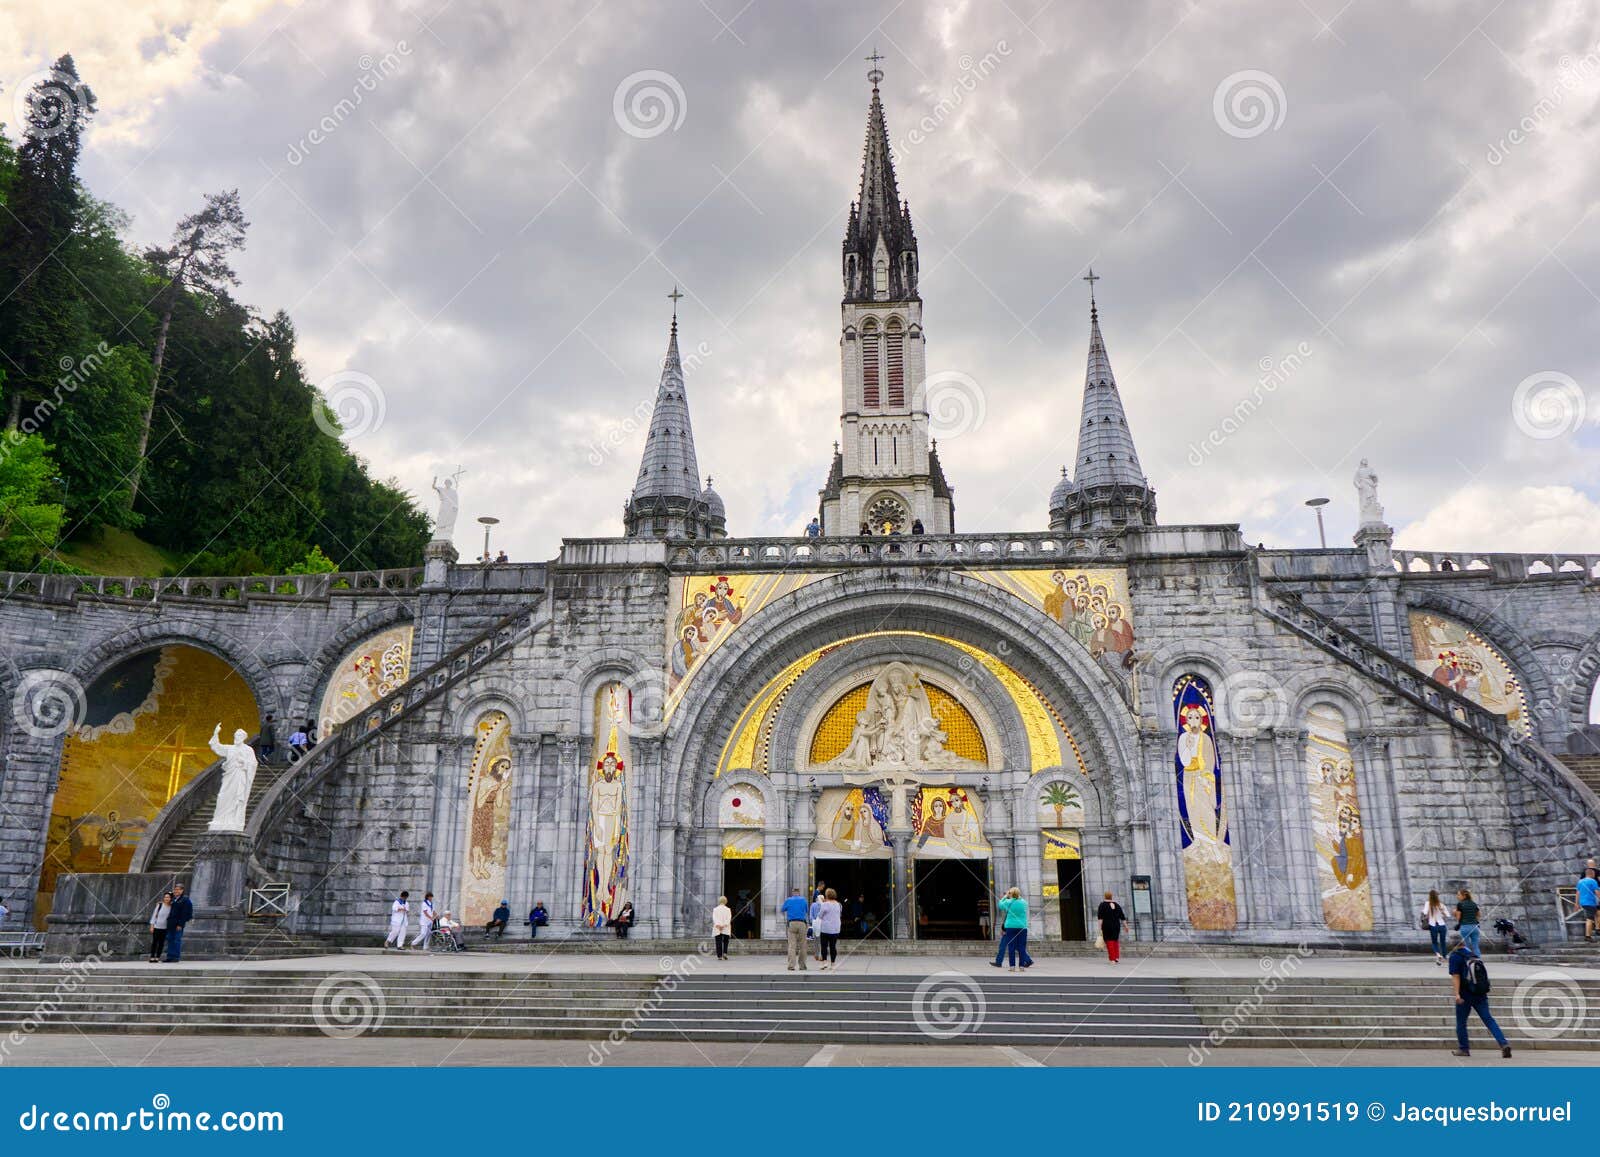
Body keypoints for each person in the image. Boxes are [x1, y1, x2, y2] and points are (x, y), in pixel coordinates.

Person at [1446, 930, 1512, 1058]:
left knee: (1461, 1023)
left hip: (1465, 994)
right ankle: (1503, 1043)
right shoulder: (1472, 954)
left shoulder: (1455, 956)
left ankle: (1464, 1049)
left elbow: (1456, 976)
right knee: (1488, 1019)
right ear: (1463, 942)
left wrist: (1457, 995)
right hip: (1480, 993)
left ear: (1451, 944)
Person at [990, 886, 1032, 971]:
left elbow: (1000, 904)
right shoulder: (1024, 902)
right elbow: (1021, 901)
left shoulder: (1008, 902)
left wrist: (1005, 896)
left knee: (1011, 947)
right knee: (1021, 947)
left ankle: (1012, 967)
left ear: (1011, 894)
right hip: (1022, 927)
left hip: (1011, 927)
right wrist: (1017, 896)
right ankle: (1021, 967)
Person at [781, 887, 810, 971]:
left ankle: (791, 966)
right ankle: (802, 966)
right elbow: (806, 911)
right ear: (799, 892)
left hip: (792, 923)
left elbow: (782, 909)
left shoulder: (788, 900)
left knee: (791, 946)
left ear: (793, 892)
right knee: (803, 946)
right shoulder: (804, 900)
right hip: (802, 923)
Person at [165, 883, 193, 963]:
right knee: (170, 939)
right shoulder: (174, 899)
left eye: (178, 889)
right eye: (175, 889)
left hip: (178, 924)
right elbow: (167, 900)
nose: (176, 891)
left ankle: (175, 957)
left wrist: (181, 924)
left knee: (176, 940)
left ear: (182, 890)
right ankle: (169, 956)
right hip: (171, 923)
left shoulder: (185, 900)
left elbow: (185, 913)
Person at [1096, 891, 1127, 964]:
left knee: (1109, 941)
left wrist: (1099, 928)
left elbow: (1100, 918)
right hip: (1116, 926)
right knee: (1115, 941)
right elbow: (1122, 917)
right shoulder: (1117, 905)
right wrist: (1126, 926)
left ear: (1105, 896)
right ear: (1111, 896)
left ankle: (1112, 959)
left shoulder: (1102, 905)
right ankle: (1116, 957)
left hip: (1107, 926)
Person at [1421, 889, 1450, 963]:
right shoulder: (1441, 904)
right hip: (1442, 925)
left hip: (1433, 925)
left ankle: (1438, 954)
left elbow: (1424, 912)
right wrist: (1442, 912)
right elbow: (1448, 915)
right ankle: (1444, 956)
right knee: (1443, 942)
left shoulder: (1428, 903)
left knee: (1434, 942)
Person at [818, 888, 843, 970]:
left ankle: (824, 962)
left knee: (824, 946)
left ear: (827, 895)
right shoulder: (839, 904)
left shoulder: (825, 904)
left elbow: (820, 916)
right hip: (835, 929)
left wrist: (822, 903)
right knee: (833, 946)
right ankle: (833, 963)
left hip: (825, 928)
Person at [1454, 888, 1482, 956]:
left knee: (1466, 946)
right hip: (1475, 927)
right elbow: (1479, 914)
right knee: (1475, 945)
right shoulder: (1473, 903)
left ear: (1464, 896)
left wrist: (1454, 913)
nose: (1457, 896)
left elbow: (1458, 917)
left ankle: (1468, 960)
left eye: (1458, 895)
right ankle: (1478, 961)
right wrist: (1475, 920)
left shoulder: (1460, 904)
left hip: (1465, 926)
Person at [148, 891, 173, 963]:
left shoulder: (172, 907)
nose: (166, 898)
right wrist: (152, 926)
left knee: (161, 943)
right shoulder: (160, 905)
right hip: (157, 927)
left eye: (168, 897)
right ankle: (152, 956)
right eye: (165, 897)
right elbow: (154, 916)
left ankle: (158, 957)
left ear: (171, 898)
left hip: (165, 928)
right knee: (155, 942)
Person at [1578, 870, 1600, 943]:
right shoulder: (1593, 881)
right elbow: (1597, 892)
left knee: (1598, 914)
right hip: (1590, 902)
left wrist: (1576, 903)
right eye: (1594, 874)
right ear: (1592, 874)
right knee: (1589, 919)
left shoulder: (1580, 882)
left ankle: (1597, 929)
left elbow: (1578, 893)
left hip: (1583, 902)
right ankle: (1588, 936)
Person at [712, 896, 733, 960]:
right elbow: (729, 919)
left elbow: (714, 918)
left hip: (717, 927)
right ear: (726, 901)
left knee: (718, 941)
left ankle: (719, 956)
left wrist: (719, 925)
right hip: (726, 927)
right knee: (726, 941)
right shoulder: (728, 909)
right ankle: (725, 953)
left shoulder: (715, 909)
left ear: (719, 901)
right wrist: (724, 925)